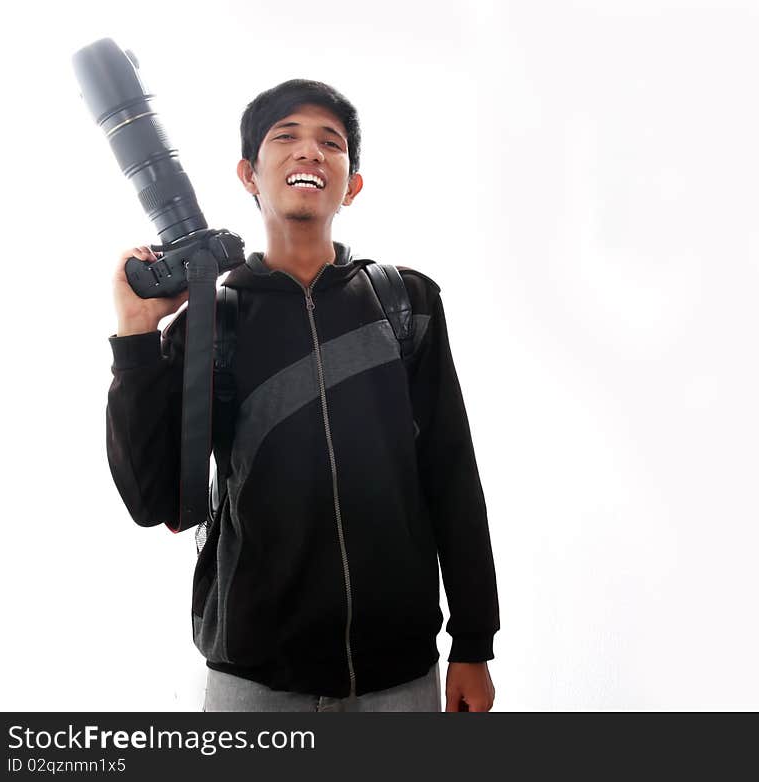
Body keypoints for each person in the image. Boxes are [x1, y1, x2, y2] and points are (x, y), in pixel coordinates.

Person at [106, 79, 499, 712]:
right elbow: (155, 501)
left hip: (399, 678)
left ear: (353, 183)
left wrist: (473, 643)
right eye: (284, 137)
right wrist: (135, 336)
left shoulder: (407, 302)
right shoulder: (212, 320)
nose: (308, 152)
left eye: (330, 143)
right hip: (252, 683)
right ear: (248, 174)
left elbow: (452, 476)